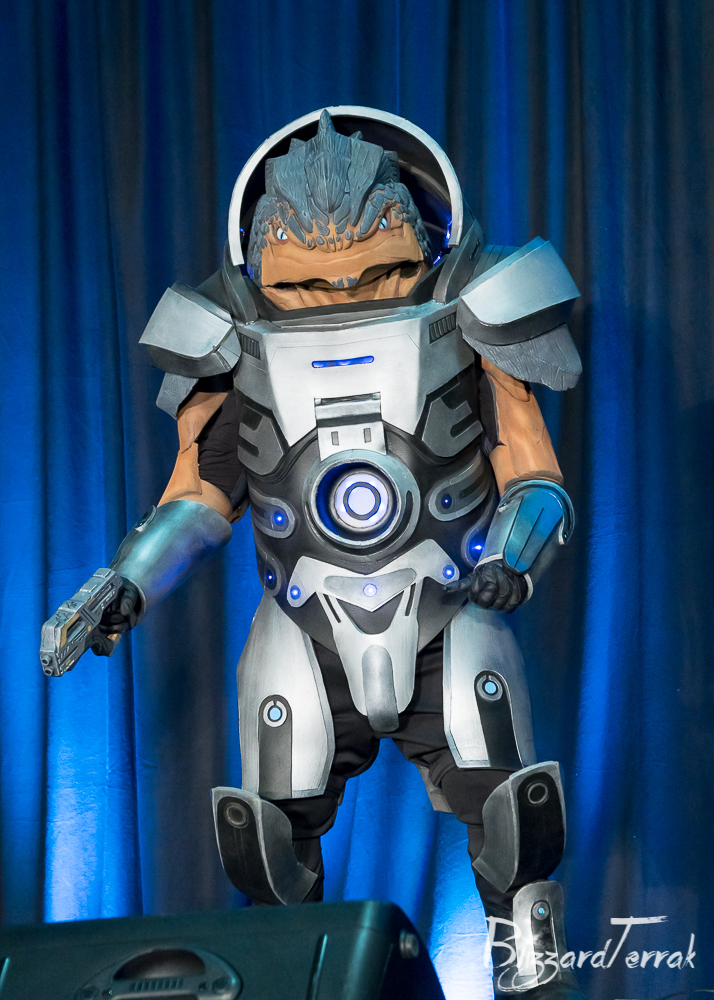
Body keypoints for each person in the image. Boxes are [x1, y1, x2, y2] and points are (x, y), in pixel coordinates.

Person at [43, 107, 585, 999]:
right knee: (269, 856)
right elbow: (199, 495)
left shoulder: (473, 318)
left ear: (420, 245)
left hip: (449, 613)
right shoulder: (231, 341)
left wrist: (514, 557)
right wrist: (126, 581)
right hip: (303, 627)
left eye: (378, 270)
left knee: (517, 843)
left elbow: (533, 473)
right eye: (307, 280)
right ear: (263, 266)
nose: (341, 287)